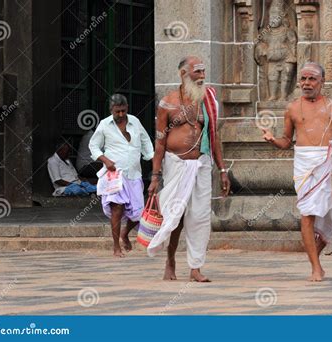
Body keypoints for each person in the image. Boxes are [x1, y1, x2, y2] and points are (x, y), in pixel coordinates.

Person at [260, 62, 332, 282]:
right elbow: (286, 141)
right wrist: (272, 140)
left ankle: (314, 258)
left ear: (322, 82)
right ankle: (315, 267)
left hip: (328, 164)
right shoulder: (291, 108)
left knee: (330, 220)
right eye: (303, 79)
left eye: (312, 79)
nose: (307, 83)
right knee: (307, 213)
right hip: (305, 165)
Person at [147, 56, 230, 282]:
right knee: (176, 215)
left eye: (204, 72)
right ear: (184, 74)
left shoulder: (208, 100)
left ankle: (195, 267)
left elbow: (214, 137)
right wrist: (155, 176)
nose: (203, 77)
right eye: (198, 72)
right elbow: (160, 142)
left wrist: (223, 170)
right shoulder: (167, 103)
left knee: (200, 217)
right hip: (176, 165)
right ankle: (170, 260)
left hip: (201, 165)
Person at [89, 94, 154, 258]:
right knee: (117, 208)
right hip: (114, 175)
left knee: (139, 213)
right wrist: (105, 159)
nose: (120, 115)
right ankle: (116, 246)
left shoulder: (135, 122)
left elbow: (146, 141)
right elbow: (94, 146)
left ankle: (125, 233)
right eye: (117, 111)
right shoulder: (104, 125)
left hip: (134, 173)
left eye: (123, 111)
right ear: (111, 110)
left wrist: (152, 159)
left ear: (127, 109)